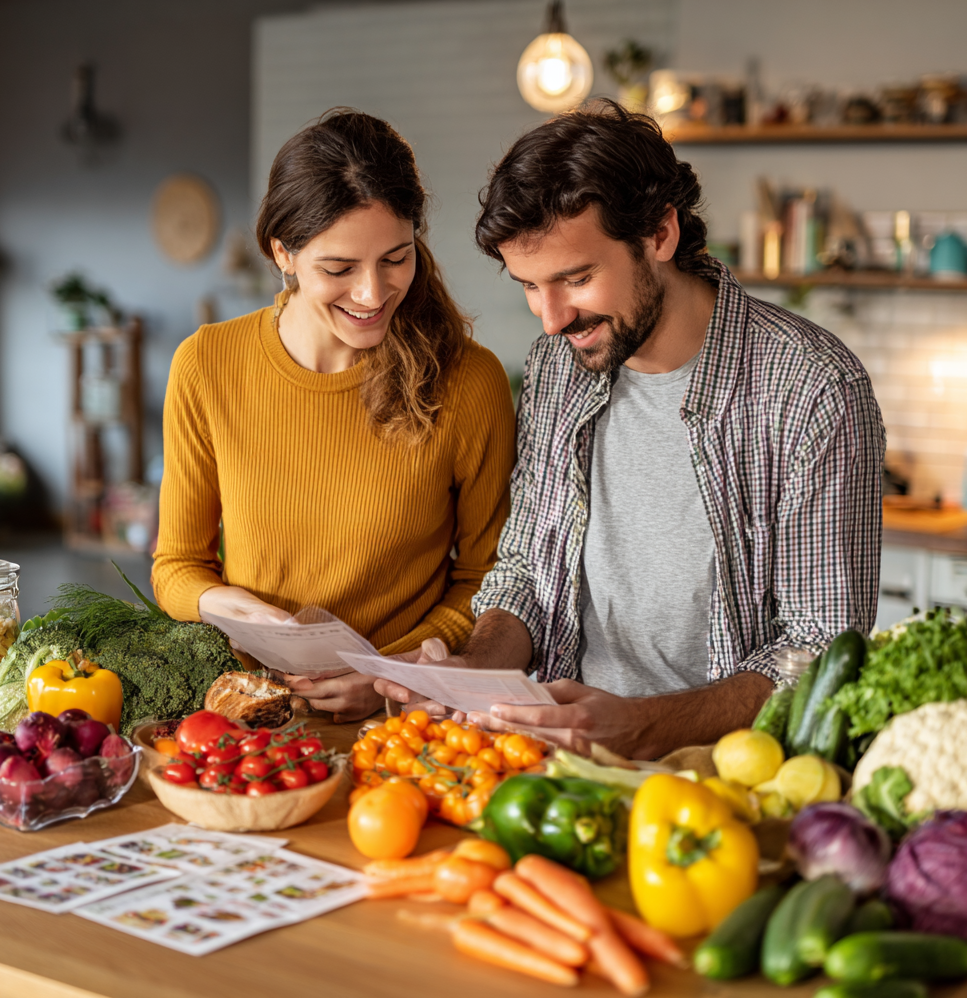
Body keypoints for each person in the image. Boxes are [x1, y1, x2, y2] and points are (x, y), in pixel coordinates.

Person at [376, 100, 885, 759]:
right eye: (530, 286)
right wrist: (480, 669)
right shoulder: (558, 367)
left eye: (576, 278)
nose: (552, 317)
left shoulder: (813, 388)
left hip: (734, 782)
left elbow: (821, 646)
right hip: (569, 766)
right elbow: (529, 568)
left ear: (660, 235)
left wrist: (645, 726)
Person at [152, 109, 515, 722]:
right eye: (339, 269)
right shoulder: (206, 364)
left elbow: (488, 580)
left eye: (396, 259)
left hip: (404, 718)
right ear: (283, 253)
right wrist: (223, 604)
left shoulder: (470, 382)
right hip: (246, 716)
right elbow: (177, 566)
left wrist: (386, 676)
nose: (373, 294)